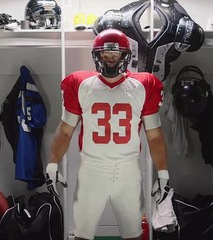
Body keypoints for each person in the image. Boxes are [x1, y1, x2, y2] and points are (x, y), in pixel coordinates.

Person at [45, 28, 170, 240]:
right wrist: (52, 163)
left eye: (115, 54)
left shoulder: (143, 85)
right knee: (82, 234)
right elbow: (65, 130)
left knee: (133, 234)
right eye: (105, 54)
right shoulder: (80, 84)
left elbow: (154, 135)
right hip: (92, 170)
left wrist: (163, 173)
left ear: (125, 56)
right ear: (97, 56)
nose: (111, 59)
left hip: (128, 170)